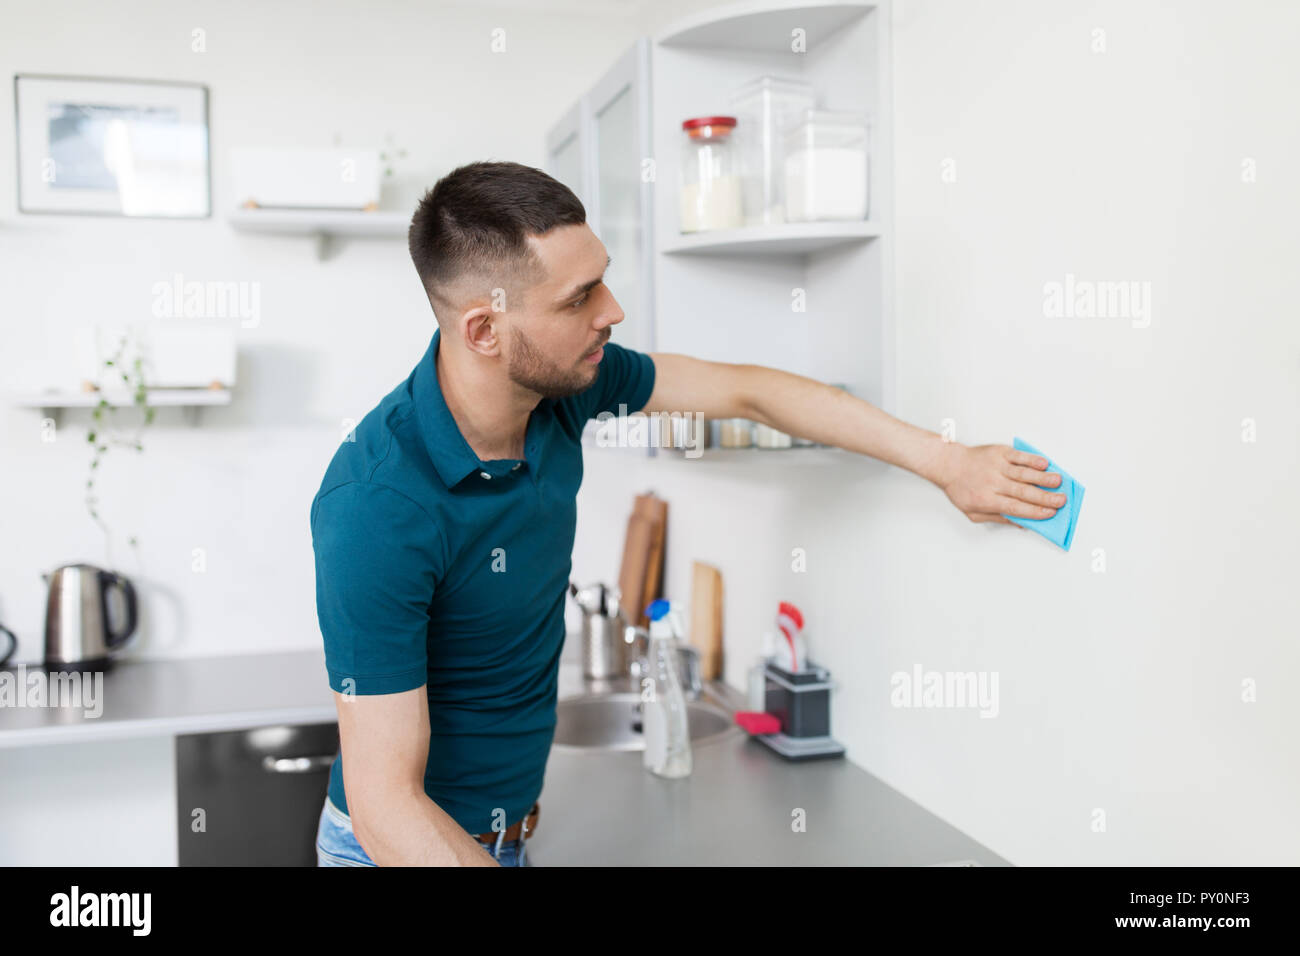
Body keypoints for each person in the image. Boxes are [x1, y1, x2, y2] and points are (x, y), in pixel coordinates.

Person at [310, 161, 1066, 867]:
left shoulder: (565, 391)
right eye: (579, 299)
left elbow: (749, 391)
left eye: (601, 280)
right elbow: (386, 807)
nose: (613, 311)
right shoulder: (376, 508)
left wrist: (949, 463)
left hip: (503, 838)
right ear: (484, 329)